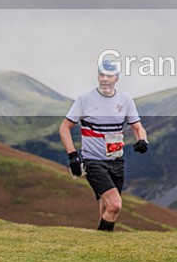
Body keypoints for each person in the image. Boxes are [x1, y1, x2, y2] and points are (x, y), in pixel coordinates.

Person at [59, 60, 149, 232]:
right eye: (101, 75)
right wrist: (73, 156)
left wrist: (142, 141)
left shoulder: (125, 100)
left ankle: (101, 245)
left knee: (107, 205)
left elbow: (138, 127)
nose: (105, 79)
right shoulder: (84, 99)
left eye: (109, 76)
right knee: (115, 205)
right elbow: (64, 127)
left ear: (117, 78)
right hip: (93, 161)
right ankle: (101, 238)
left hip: (116, 161)